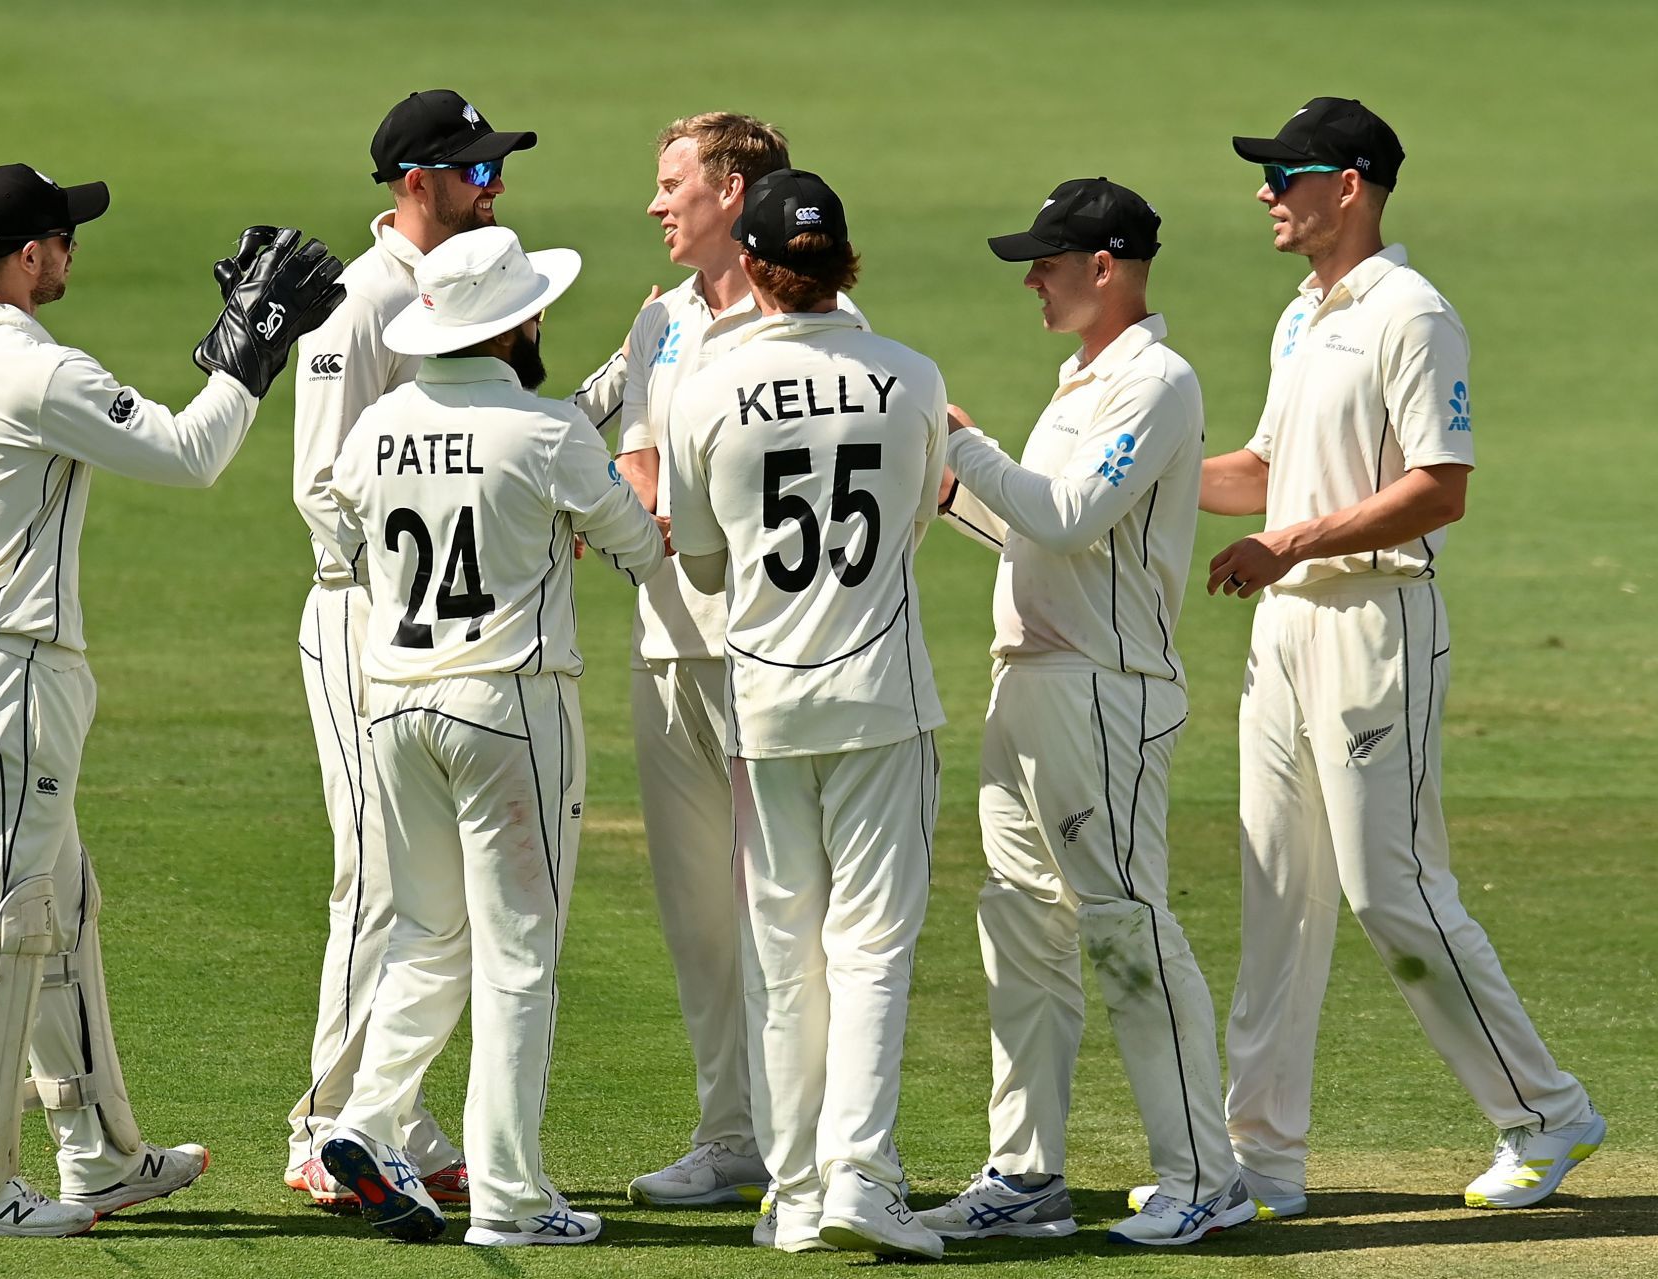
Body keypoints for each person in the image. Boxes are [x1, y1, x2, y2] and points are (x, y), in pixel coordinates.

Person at [0, 164, 343, 1236]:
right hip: (11, 677)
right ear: (27, 257)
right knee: (3, 928)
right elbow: (187, 451)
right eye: (63, 237)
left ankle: (102, 1153)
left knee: (61, 907)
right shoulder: (40, 374)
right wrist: (254, 346)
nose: (74, 249)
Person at [1201, 97, 1603, 1215]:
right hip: (1286, 628)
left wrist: (1292, 538)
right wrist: (1128, 471)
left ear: (1353, 183)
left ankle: (1548, 1114)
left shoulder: (1412, 315)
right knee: (1277, 892)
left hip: (1380, 623)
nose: (1267, 191)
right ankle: (1264, 1160)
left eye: (1287, 172)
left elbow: (1440, 487)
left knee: (1393, 889)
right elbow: (1265, 469)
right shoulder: (1301, 315)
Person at [919, 179, 1254, 1246]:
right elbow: (1041, 535)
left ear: (1104, 266)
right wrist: (960, 486)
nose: (1031, 280)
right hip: (1029, 680)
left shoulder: (1156, 381)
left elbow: (1066, 517)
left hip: (1106, 692)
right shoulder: (1080, 382)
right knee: (1021, 930)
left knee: (1123, 924)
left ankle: (1205, 1173)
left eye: (1047, 262)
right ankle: (1026, 1175)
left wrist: (959, 442)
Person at [317, 226, 667, 1246]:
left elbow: (337, 530)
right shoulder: (548, 432)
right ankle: (511, 1196)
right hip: (507, 703)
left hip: (394, 701)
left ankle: (369, 1119)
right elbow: (640, 545)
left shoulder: (378, 424)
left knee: (427, 935)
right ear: (511, 324)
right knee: (518, 955)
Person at [285, 88, 579, 1208]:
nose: (495, 187)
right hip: (368, 619)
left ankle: (391, 1120)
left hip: (427, 622)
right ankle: (328, 1127)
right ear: (418, 185)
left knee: (425, 886)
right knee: (375, 873)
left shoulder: (464, 287)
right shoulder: (359, 306)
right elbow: (323, 489)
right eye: (476, 174)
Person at [666, 169, 948, 1259]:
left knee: (785, 948)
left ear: (754, 263)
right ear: (845, 263)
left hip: (765, 700)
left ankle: (792, 1194)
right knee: (871, 946)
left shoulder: (702, 387)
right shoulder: (913, 376)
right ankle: (860, 1179)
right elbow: (920, 517)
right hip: (882, 694)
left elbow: (697, 551)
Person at [609, 110, 797, 1210]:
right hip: (666, 641)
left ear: (734, 193)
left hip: (765, 652)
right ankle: (731, 1134)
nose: (655, 201)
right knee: (697, 912)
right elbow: (637, 466)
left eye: (673, 181)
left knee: (780, 905)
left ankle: (809, 1137)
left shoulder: (811, 317)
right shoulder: (659, 321)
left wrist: (670, 511)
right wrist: (656, 508)